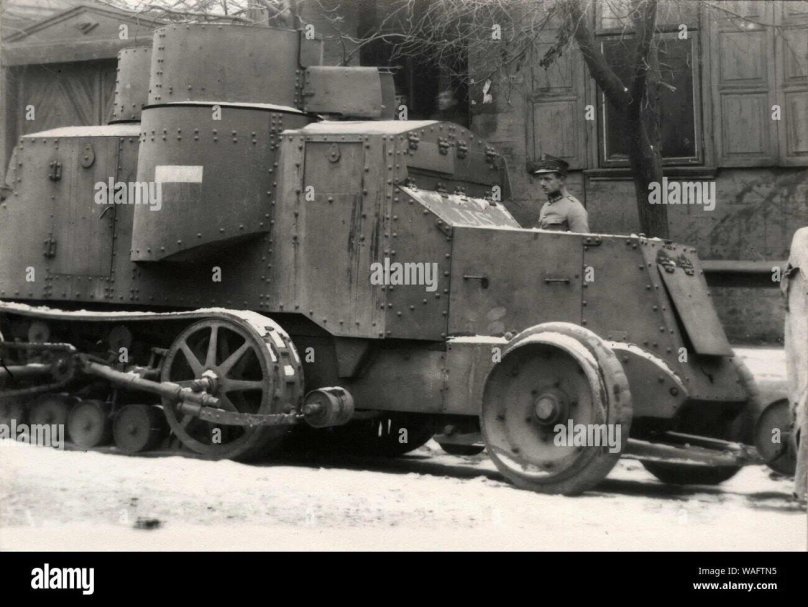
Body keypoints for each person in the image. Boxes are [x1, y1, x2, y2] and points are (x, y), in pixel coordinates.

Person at [529, 155, 589, 233]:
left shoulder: (574, 208)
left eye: (547, 179)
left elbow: (581, 241)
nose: (542, 183)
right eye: (540, 179)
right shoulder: (546, 205)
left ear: (561, 180)